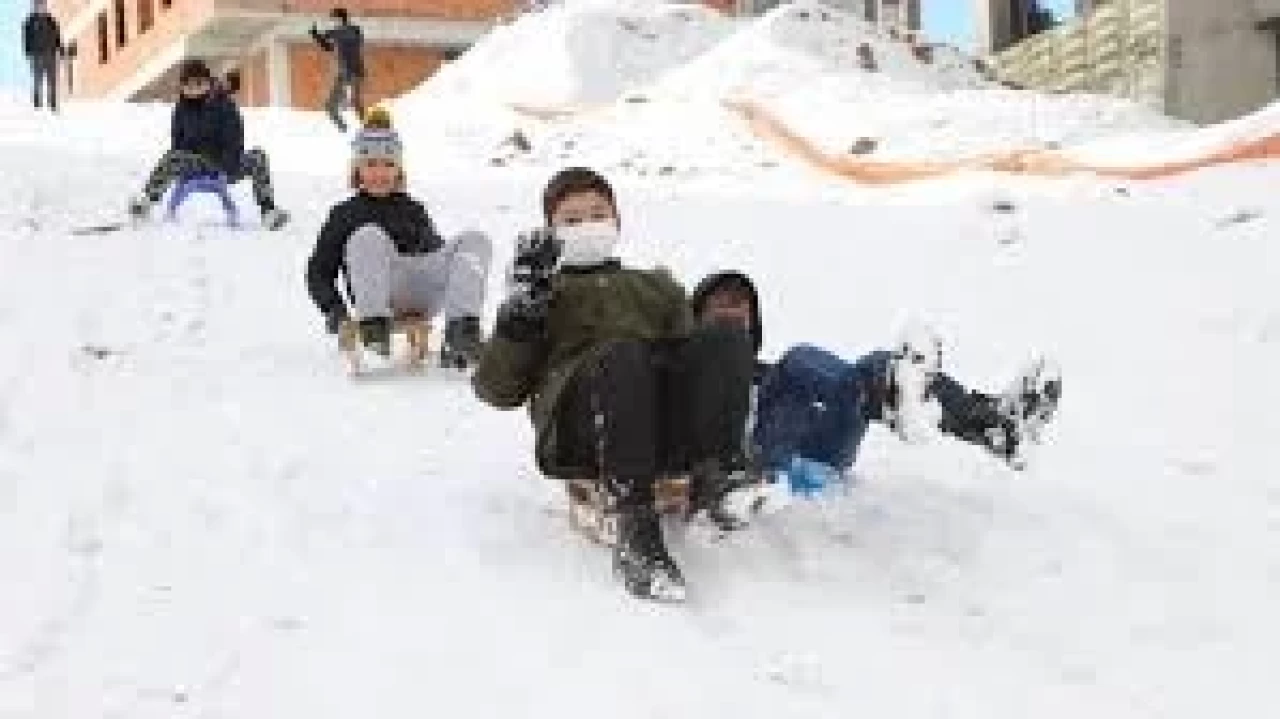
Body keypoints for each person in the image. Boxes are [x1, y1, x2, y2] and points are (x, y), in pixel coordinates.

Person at [472, 168, 761, 603]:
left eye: (597, 214)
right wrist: (519, 317)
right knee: (623, 354)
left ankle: (719, 477)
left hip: (655, 425)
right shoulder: (545, 296)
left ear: (617, 220)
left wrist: (732, 355)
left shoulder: (654, 287)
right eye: (571, 221)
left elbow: (697, 364)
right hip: (581, 432)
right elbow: (496, 390)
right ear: (551, 232)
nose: (587, 226)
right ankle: (635, 529)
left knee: (722, 330)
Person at [690, 271, 1062, 496]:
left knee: (873, 367)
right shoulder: (688, 381)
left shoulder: (767, 375)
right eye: (721, 306)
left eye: (741, 307)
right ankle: (888, 391)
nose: (734, 312)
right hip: (750, 472)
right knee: (799, 359)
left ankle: (993, 424)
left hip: (815, 463)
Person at [305, 110, 491, 369]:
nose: (380, 172)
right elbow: (318, 272)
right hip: (380, 299)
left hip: (422, 292)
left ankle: (461, 331)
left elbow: (435, 253)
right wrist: (335, 311)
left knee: (475, 240)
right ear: (357, 168)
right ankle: (374, 326)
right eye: (371, 164)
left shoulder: (413, 208)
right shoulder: (344, 214)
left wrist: (443, 259)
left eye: (388, 164)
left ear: (399, 169)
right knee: (367, 235)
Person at [128, 58, 290, 230]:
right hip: (198, 162)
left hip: (227, 164)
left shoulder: (224, 105)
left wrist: (226, 167)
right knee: (173, 156)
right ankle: (145, 202)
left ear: (208, 83)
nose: (193, 89)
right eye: (188, 85)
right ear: (182, 86)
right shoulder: (181, 108)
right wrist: (184, 164)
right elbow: (178, 141)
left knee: (258, 156)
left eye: (199, 83)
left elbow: (234, 139)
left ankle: (268, 211)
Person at [310, 8, 366, 132]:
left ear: (339, 19)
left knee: (332, 107)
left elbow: (328, 44)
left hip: (347, 74)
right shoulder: (355, 30)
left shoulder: (340, 31)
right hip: (356, 72)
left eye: (333, 19)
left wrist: (316, 35)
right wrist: (317, 36)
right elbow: (329, 47)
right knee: (355, 104)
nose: (332, 22)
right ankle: (365, 128)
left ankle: (346, 130)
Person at [23, 0, 64, 112]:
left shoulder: (51, 20)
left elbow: (57, 35)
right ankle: (37, 103)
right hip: (37, 55)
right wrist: (28, 52)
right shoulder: (30, 21)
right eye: (38, 5)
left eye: (43, 5)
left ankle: (53, 104)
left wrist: (60, 50)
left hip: (51, 53)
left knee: (52, 80)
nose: (41, 7)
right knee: (38, 79)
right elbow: (26, 38)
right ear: (34, 6)